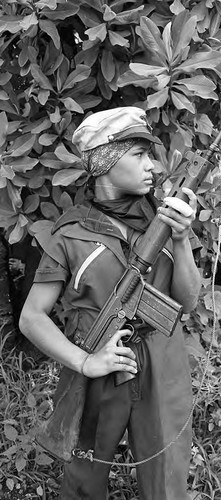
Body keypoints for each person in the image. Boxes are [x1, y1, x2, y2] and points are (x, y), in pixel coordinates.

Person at [19, 106, 201, 500]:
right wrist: (84, 361)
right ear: (105, 161)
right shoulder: (71, 233)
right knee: (84, 478)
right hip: (99, 360)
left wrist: (182, 239)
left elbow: (186, 302)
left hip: (163, 363)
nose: (152, 166)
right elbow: (32, 318)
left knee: (167, 479)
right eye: (139, 155)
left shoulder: (166, 220)